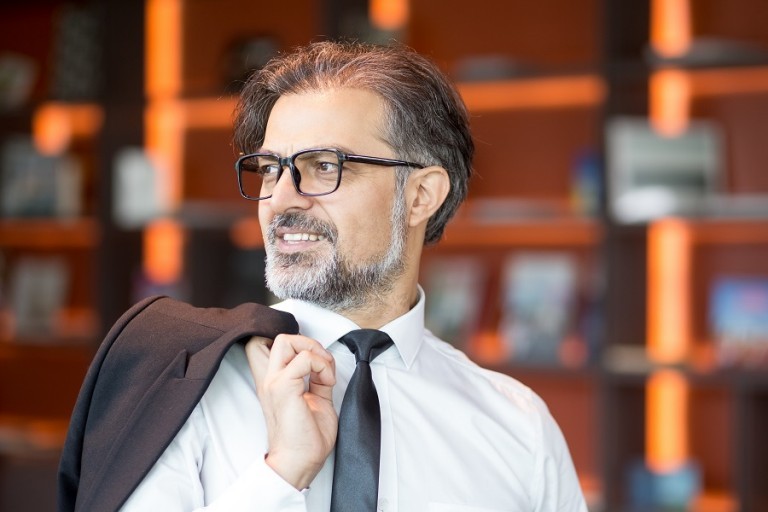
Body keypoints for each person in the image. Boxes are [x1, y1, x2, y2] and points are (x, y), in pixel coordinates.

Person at [119, 40, 588, 511]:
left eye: (324, 166)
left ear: (422, 195)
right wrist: (282, 472)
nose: (280, 200)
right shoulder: (182, 390)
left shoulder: (519, 427)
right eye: (269, 169)